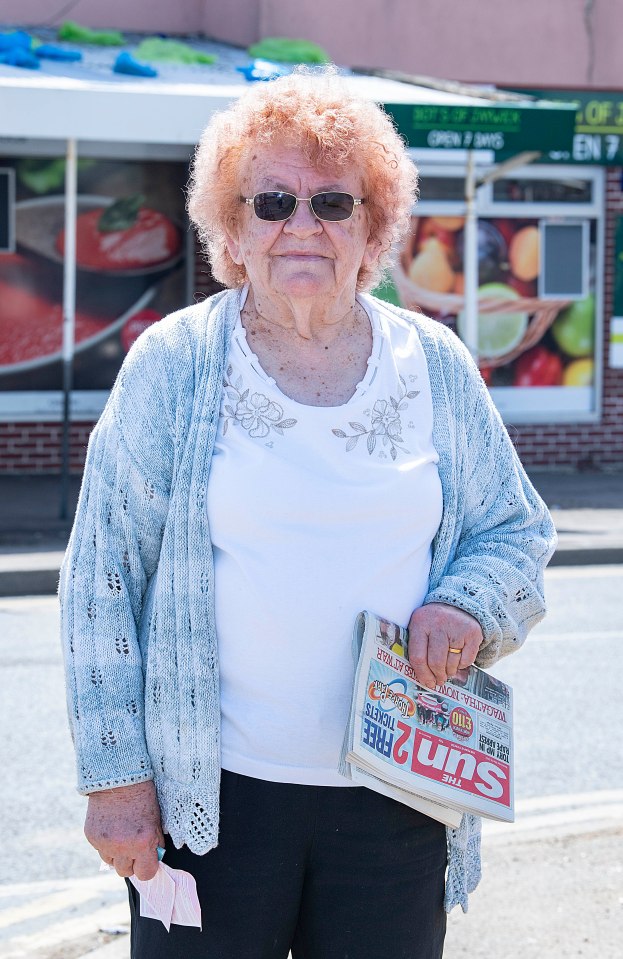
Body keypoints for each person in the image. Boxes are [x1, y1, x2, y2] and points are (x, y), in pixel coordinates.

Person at [59, 68, 556, 959]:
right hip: (210, 802)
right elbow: (101, 580)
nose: (302, 225)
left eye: (333, 202)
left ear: (372, 228)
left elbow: (513, 531)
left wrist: (467, 606)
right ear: (231, 229)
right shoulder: (172, 364)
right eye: (273, 201)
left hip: (397, 790)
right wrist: (117, 778)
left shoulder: (432, 363)